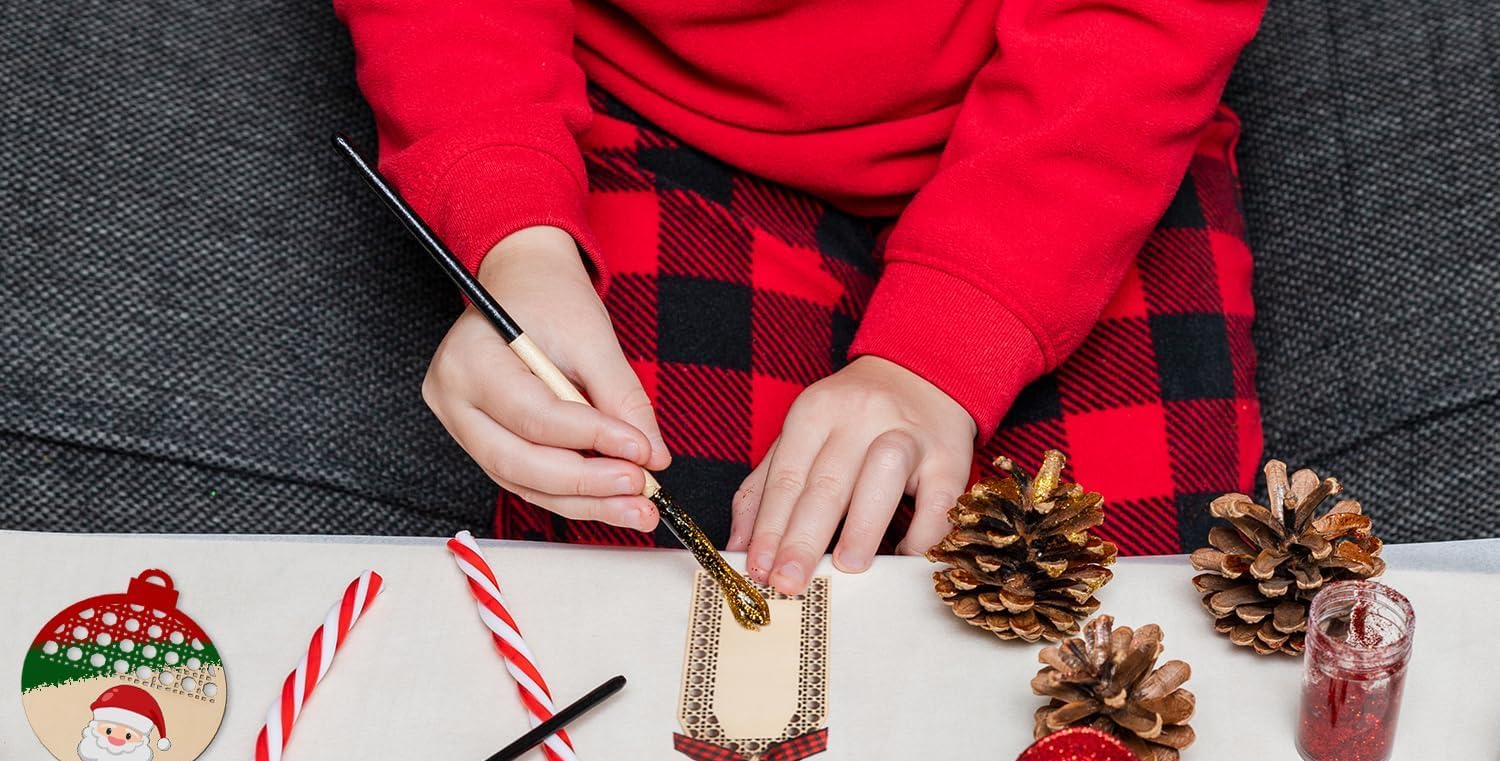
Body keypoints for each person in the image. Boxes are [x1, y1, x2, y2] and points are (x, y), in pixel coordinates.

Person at [336, 0, 1266, 595]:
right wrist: (514, 234)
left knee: (1144, 604)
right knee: (632, 585)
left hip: (1077, 110)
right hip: (653, 109)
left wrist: (947, 343)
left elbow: (1146, 24)